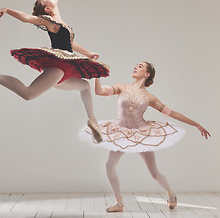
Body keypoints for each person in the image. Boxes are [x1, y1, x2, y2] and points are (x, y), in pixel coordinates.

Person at [0, 0, 109, 143]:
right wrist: (8, 10)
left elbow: (70, 43)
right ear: (47, 9)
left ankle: (93, 120)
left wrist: (88, 53)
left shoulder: (62, 23)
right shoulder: (49, 20)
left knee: (85, 86)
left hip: (65, 70)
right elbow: (26, 18)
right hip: (58, 66)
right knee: (28, 94)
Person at [80, 62, 210, 211]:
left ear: (147, 74)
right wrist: (97, 75)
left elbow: (172, 113)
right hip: (121, 131)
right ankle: (119, 203)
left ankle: (171, 194)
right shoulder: (122, 87)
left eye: (140, 66)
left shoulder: (149, 97)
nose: (135, 67)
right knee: (109, 166)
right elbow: (99, 92)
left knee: (154, 173)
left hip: (142, 133)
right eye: (136, 65)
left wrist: (196, 124)